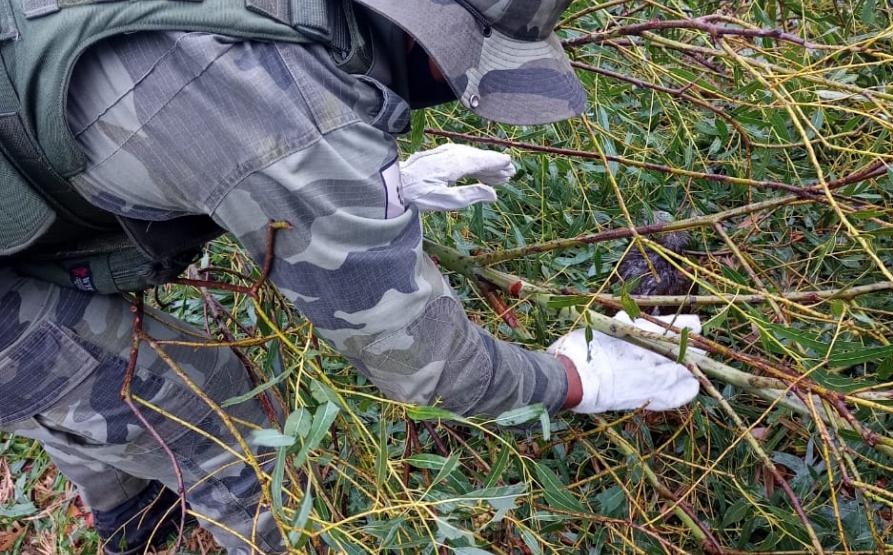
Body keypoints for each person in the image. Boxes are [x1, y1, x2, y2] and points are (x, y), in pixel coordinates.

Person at [0, 1, 700, 552]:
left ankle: (133, 515)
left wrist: (363, 182)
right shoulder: (297, 123)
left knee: (91, 372)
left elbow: (200, 115)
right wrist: (581, 379)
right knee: (217, 419)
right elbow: (434, 372)